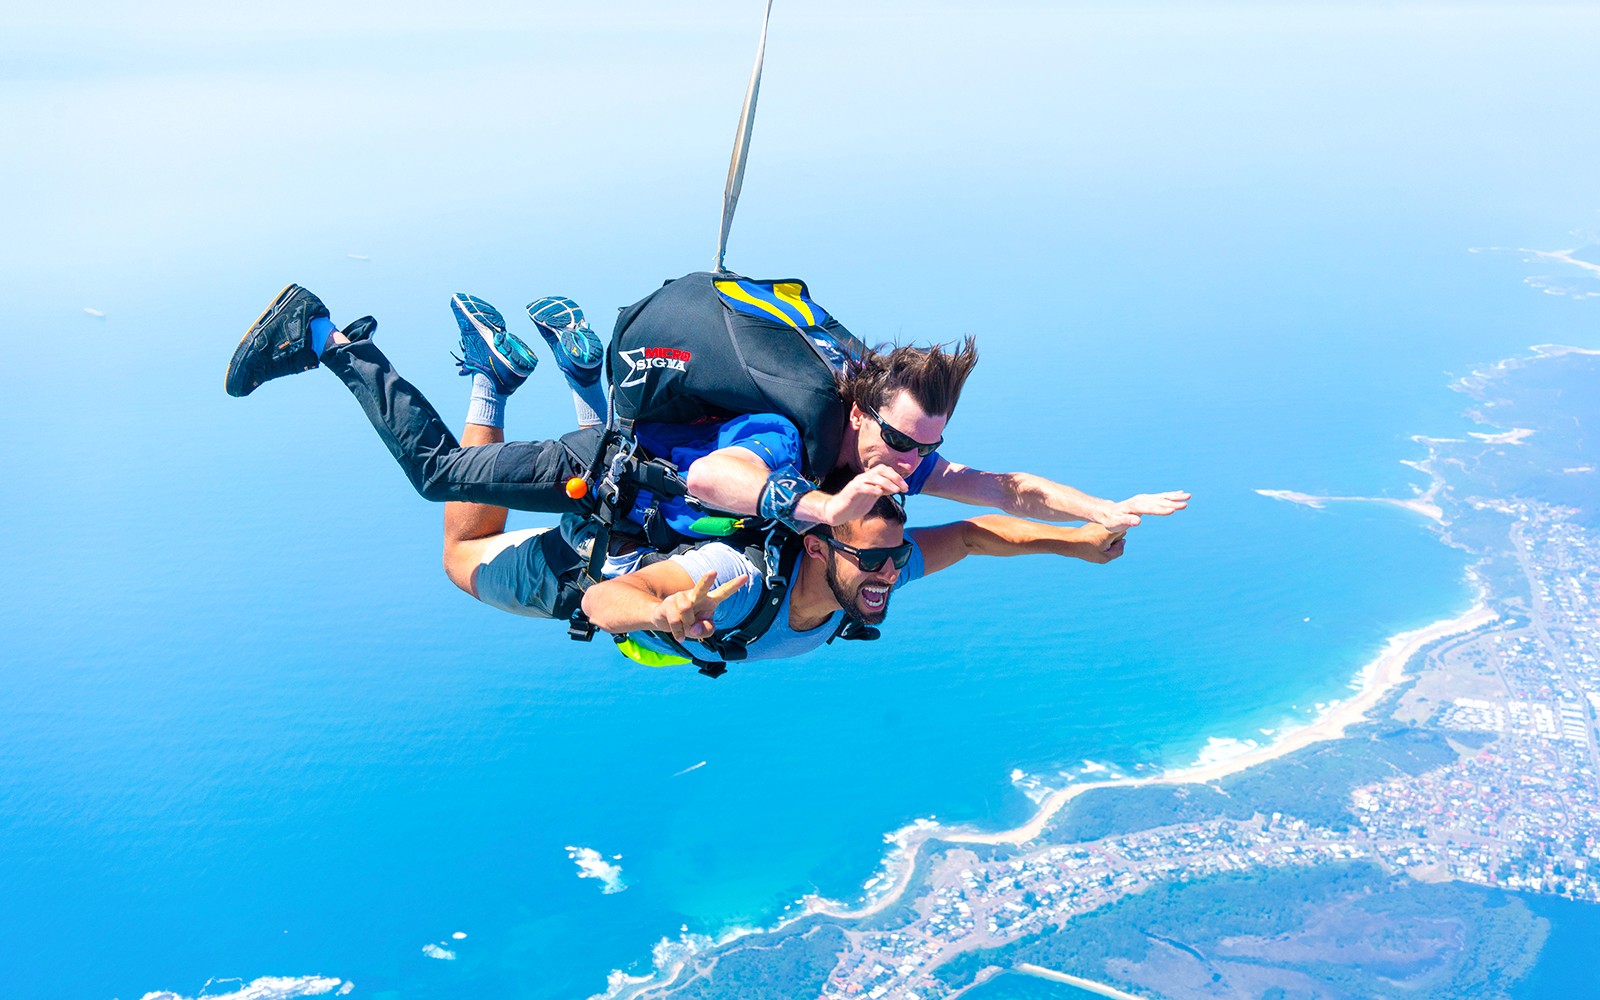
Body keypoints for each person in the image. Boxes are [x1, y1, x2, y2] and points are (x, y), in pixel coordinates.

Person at [224, 282, 1189, 548]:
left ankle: (514, 362)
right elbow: (719, 477)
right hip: (600, 459)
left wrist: (1103, 507)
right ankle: (329, 342)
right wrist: (822, 510)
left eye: (923, 447)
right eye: (898, 440)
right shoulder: (793, 431)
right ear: (861, 409)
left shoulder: (880, 452)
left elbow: (1004, 483)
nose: (908, 462)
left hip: (636, 473)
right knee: (441, 479)